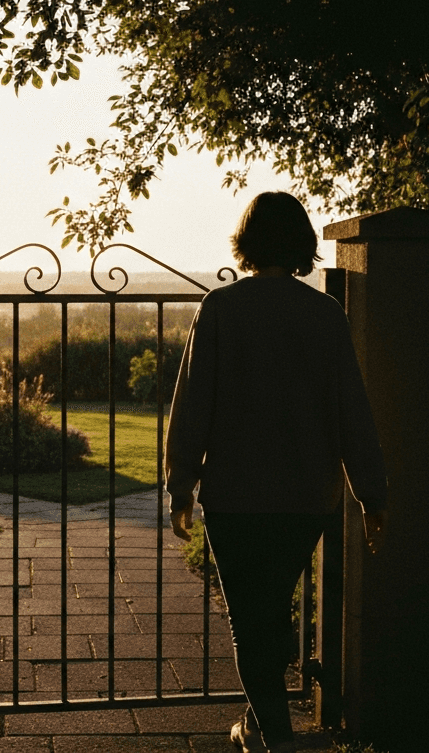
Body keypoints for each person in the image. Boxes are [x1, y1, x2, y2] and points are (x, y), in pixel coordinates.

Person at [164, 191, 388, 753]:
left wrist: (181, 485)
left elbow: (193, 403)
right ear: (302, 244)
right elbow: (350, 411)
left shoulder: (220, 309)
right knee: (271, 610)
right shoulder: (324, 315)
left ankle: (278, 739)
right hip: (305, 496)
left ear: (247, 242)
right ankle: (260, 721)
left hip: (237, 494)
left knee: (251, 618)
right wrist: (370, 494)